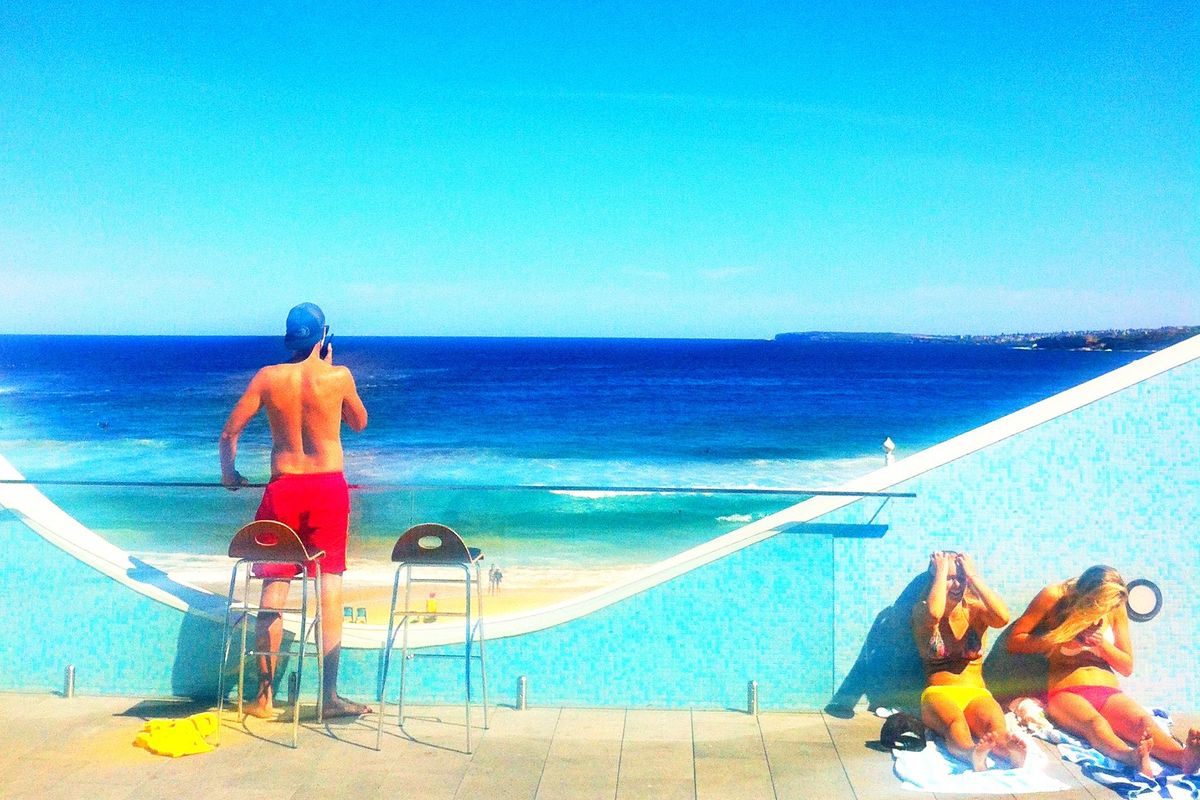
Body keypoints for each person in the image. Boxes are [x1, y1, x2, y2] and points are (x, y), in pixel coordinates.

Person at [220, 302, 370, 719]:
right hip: (326, 488)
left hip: (283, 487)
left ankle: (263, 698)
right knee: (330, 588)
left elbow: (230, 432)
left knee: (274, 589)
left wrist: (229, 474)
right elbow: (359, 422)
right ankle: (329, 697)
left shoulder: (268, 378)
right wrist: (331, 367)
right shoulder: (338, 376)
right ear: (323, 336)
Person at [1007, 565, 1200, 777]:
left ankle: (1183, 757)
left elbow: (1126, 666)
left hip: (1107, 690)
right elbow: (1015, 642)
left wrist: (1101, 646)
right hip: (1066, 690)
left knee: (1143, 723)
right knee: (1094, 724)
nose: (1104, 611)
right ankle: (1130, 756)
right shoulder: (1054, 597)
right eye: (1100, 605)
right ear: (1087, 596)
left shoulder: (1114, 604)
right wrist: (1064, 637)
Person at [911, 551, 1026, 770]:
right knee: (956, 724)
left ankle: (1009, 752)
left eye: (960, 579)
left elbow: (1003, 618)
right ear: (935, 579)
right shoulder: (922, 611)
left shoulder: (976, 611)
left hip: (977, 692)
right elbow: (935, 614)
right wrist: (941, 571)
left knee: (996, 726)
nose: (956, 585)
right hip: (939, 693)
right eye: (949, 579)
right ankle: (970, 752)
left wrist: (974, 577)